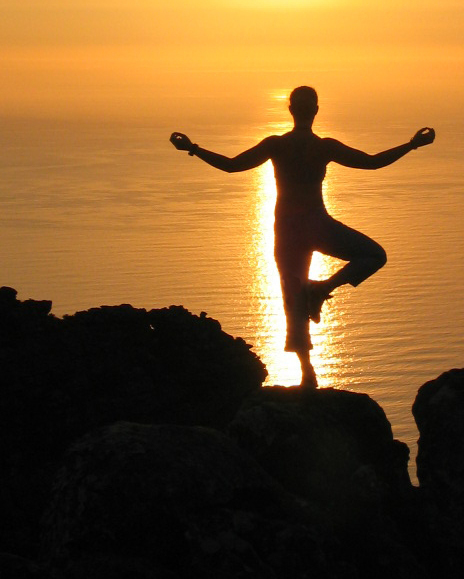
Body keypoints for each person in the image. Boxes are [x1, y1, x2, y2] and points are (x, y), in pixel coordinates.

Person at [170, 86, 434, 388]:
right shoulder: (323, 147)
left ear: (291, 109)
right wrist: (412, 145)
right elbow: (372, 162)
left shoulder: (277, 145)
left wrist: (193, 148)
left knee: (293, 300)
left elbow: (232, 166)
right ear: (316, 110)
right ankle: (321, 291)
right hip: (317, 224)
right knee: (374, 255)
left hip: (288, 230)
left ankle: (309, 364)